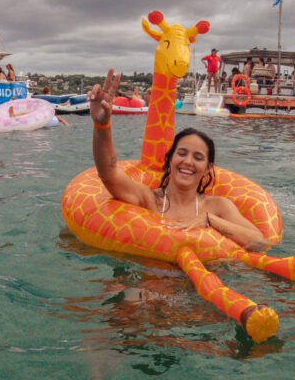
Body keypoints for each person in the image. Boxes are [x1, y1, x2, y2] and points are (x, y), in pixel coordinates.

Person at [89, 69, 267, 250]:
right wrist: (102, 125)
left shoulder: (218, 207)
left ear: (207, 168)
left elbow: (259, 242)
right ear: (170, 160)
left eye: (198, 157)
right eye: (181, 153)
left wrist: (211, 220)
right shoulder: (150, 200)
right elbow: (109, 173)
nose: (188, 162)